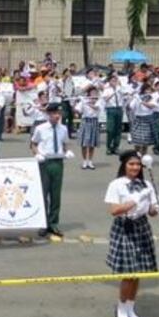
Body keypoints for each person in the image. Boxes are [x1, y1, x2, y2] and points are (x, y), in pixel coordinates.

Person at [104, 150, 159, 317]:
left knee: (138, 272)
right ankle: (121, 309)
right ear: (124, 165)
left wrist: (158, 208)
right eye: (131, 164)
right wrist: (132, 202)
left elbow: (151, 212)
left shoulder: (146, 184)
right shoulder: (116, 184)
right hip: (124, 227)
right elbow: (114, 211)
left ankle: (131, 307)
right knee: (128, 274)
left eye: (138, 164)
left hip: (141, 226)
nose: (135, 167)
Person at [31, 104, 74, 238]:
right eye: (54, 113)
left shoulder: (63, 129)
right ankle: (44, 223)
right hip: (45, 161)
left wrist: (67, 151)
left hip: (58, 161)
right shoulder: (40, 128)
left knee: (56, 194)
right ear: (48, 115)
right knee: (44, 193)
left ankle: (53, 223)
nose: (57, 116)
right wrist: (37, 154)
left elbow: (65, 143)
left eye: (58, 113)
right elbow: (33, 143)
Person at [75, 85, 103, 170]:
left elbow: (96, 108)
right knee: (84, 144)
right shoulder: (84, 100)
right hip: (85, 121)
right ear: (89, 93)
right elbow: (78, 111)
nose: (94, 94)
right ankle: (84, 161)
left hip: (94, 121)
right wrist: (75, 105)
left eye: (95, 92)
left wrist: (87, 102)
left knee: (92, 144)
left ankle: (90, 161)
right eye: (92, 92)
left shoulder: (99, 101)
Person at [129, 85, 157, 156]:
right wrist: (135, 99)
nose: (149, 91)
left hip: (148, 119)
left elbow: (152, 106)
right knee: (137, 140)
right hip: (138, 119)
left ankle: (144, 157)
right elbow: (131, 107)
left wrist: (143, 102)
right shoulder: (137, 97)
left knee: (145, 141)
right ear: (143, 90)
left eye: (150, 90)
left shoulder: (151, 98)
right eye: (147, 90)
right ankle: (136, 155)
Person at [102, 75, 126, 155]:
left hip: (119, 109)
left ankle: (116, 147)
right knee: (110, 129)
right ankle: (108, 147)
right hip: (111, 109)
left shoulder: (120, 89)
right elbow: (105, 99)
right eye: (112, 80)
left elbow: (125, 96)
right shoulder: (107, 90)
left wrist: (122, 91)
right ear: (109, 82)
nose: (114, 82)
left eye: (115, 80)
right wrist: (113, 93)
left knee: (118, 129)